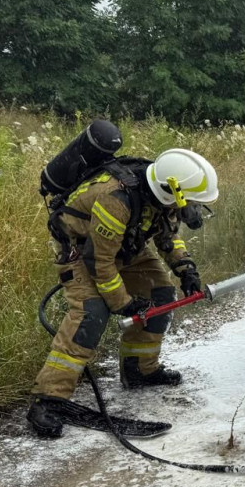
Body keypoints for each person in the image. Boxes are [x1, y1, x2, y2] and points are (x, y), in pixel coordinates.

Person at [27, 147, 219, 437]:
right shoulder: (116, 199)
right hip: (82, 252)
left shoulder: (161, 196)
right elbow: (100, 263)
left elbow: (168, 236)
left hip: (125, 246)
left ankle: (139, 370)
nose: (193, 209)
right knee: (91, 313)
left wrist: (185, 269)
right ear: (174, 191)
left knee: (161, 294)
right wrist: (125, 303)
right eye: (191, 202)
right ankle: (48, 400)